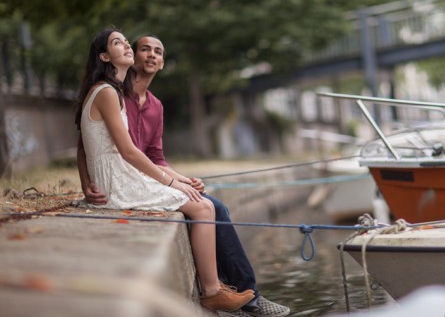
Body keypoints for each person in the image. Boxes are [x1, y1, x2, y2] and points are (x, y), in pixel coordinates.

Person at [77, 32, 290, 317]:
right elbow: (92, 143)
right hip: (126, 176)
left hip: (140, 173)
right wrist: (86, 182)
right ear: (132, 57)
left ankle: (239, 292)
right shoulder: (113, 92)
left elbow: (155, 157)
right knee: (207, 207)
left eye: (158, 51)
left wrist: (183, 179)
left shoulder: (155, 105)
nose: (151, 55)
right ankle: (228, 294)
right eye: (144, 49)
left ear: (163, 63)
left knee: (216, 205)